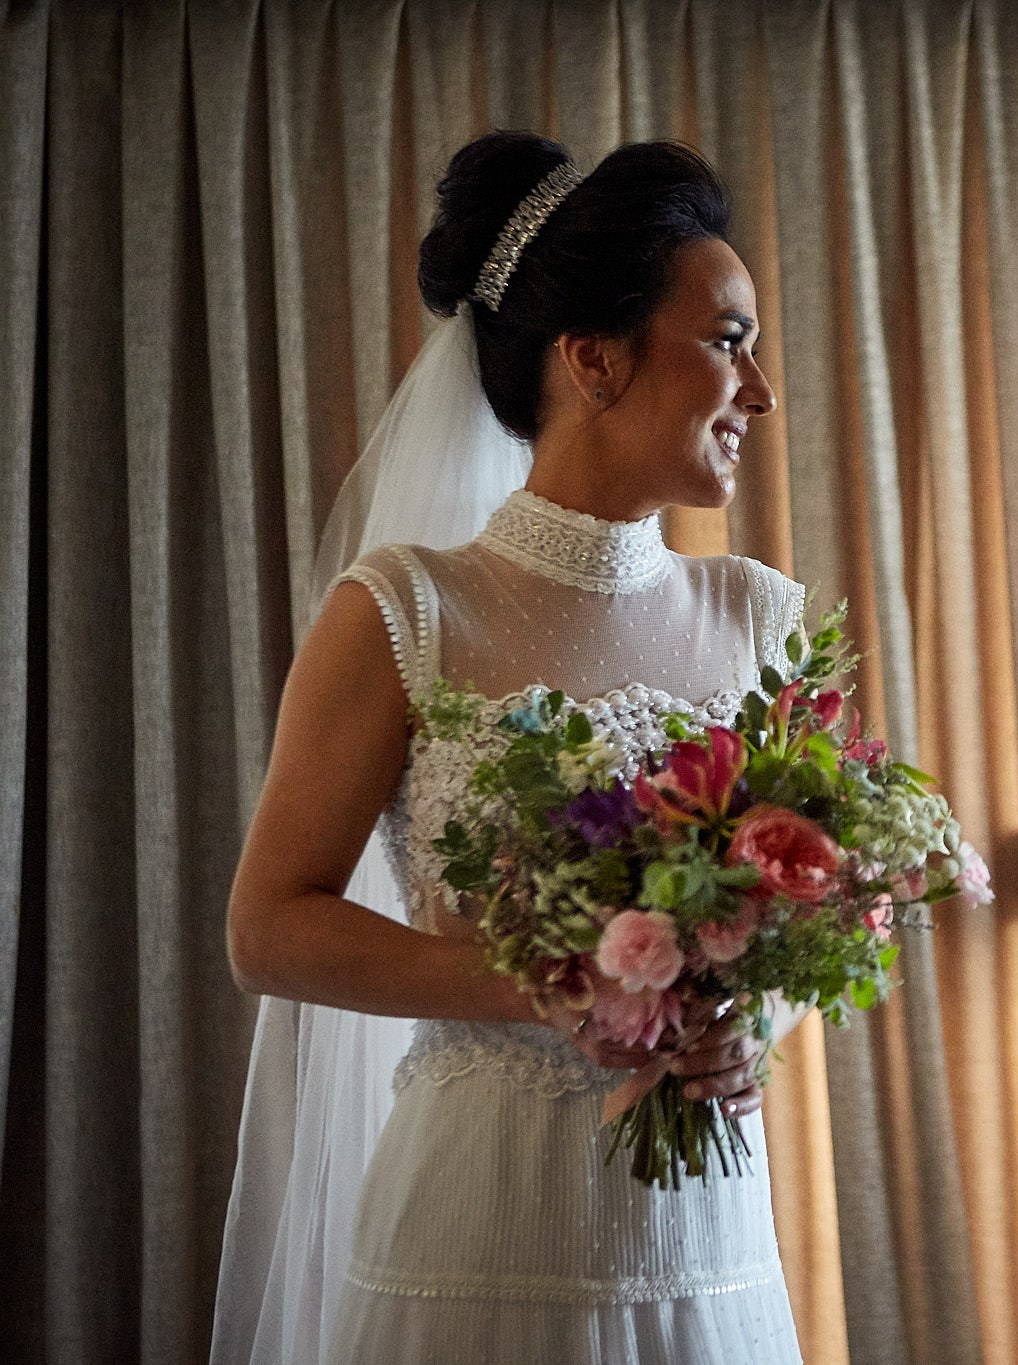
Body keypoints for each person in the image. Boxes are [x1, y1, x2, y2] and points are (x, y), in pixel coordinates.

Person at [211, 130, 806, 1363]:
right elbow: (270, 926)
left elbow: (796, 920)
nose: (759, 394)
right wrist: (557, 994)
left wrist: (744, 1021)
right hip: (477, 1224)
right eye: (727, 342)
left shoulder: (760, 618)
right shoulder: (406, 610)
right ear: (593, 359)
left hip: (704, 1226)